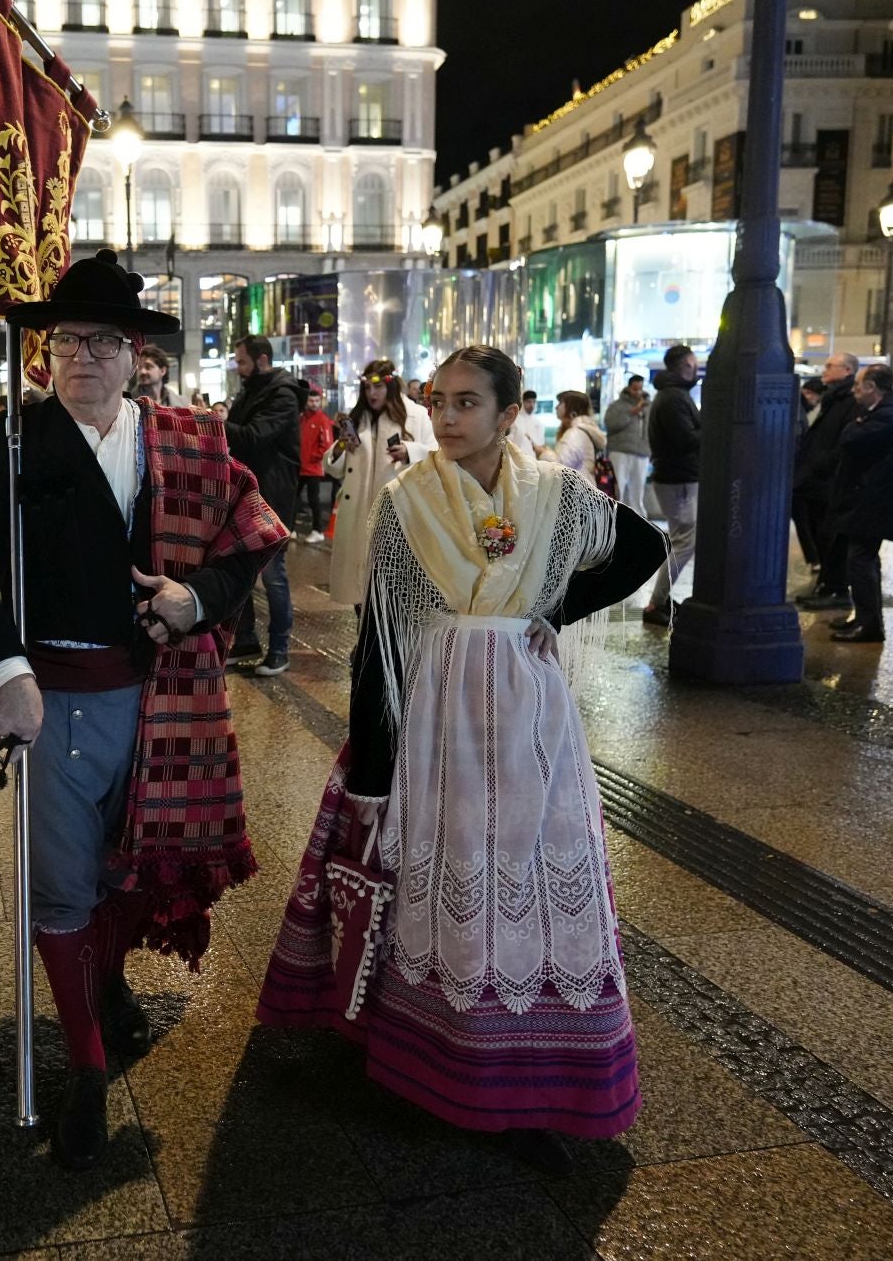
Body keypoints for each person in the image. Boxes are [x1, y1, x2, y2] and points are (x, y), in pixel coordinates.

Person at [257, 345, 665, 1173]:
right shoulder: (407, 502)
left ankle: (542, 1080)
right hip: (439, 704)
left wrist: (557, 603)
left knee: (531, 862)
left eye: (468, 402)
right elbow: (381, 638)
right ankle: (443, 1061)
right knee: (453, 863)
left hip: (528, 701)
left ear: (511, 413)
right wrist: (373, 764)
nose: (446, 417)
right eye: (437, 400)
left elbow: (641, 549)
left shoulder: (557, 493)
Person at [0, 249, 287, 1170]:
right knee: (61, 886)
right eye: (66, 340)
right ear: (43, 353)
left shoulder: (193, 439)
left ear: (138, 353)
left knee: (137, 870)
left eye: (103, 340)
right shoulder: (11, 443)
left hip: (167, 697)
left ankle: (111, 986)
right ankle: (87, 1067)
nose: (83, 356)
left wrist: (201, 598)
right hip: (52, 704)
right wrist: (6, 670)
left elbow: (256, 536)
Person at [325, 359, 433, 611]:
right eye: (367, 388)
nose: (372, 394)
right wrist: (342, 445)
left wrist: (410, 451)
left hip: (397, 513)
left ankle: (384, 648)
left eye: (378, 387)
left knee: (393, 591)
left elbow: (437, 454)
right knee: (359, 587)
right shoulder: (358, 418)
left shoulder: (415, 416)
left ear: (391, 386)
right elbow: (333, 467)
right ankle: (364, 647)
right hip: (358, 514)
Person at [223, 334, 302, 675]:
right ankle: (245, 641)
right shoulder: (251, 389)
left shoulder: (282, 395)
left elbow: (254, 437)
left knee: (272, 576)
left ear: (262, 360)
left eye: (242, 361)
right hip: (245, 492)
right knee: (242, 571)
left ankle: (280, 648)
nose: (239, 368)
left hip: (271, 495)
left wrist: (211, 423)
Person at [825, 364, 893, 644]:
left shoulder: (888, 416)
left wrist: (857, 423)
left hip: (874, 501)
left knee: (861, 561)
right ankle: (866, 618)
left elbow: (849, 439)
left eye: (858, 384)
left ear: (872, 388)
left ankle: (869, 625)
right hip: (872, 500)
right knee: (862, 560)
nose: (854, 390)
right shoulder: (886, 413)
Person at [794, 352, 859, 611]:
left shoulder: (848, 399)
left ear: (847, 370)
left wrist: (820, 466)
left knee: (830, 537)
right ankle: (827, 585)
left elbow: (842, 441)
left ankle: (836, 588)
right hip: (817, 480)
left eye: (831, 366)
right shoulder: (834, 397)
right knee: (822, 535)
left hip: (828, 481)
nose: (825, 369)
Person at [641, 345, 701, 628]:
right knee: (684, 541)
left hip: (677, 477)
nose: (696, 368)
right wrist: (712, 426)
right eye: (694, 363)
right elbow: (686, 440)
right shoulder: (673, 398)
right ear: (687, 364)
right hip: (679, 479)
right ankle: (656, 603)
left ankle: (661, 600)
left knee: (683, 539)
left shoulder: (672, 395)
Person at [602, 375, 650, 514]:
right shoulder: (617, 406)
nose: (638, 392)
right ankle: (615, 519)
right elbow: (610, 424)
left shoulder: (648, 407)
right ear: (629, 388)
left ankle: (639, 522)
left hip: (642, 452)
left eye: (640, 388)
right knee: (618, 489)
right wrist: (631, 413)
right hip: (620, 450)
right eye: (635, 389)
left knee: (638, 491)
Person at [297, 386, 335, 544]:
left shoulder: (322, 420)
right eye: (311, 400)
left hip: (313, 468)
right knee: (294, 498)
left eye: (316, 401)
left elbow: (327, 445)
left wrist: (314, 457)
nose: (313, 403)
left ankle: (317, 530)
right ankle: (291, 528)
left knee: (314, 500)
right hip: (301, 466)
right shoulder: (303, 418)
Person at [552, 390, 608, 481]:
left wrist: (543, 452)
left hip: (576, 490)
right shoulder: (584, 429)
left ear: (571, 407)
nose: (556, 407)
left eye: (561, 403)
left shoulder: (575, 433)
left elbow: (560, 465)